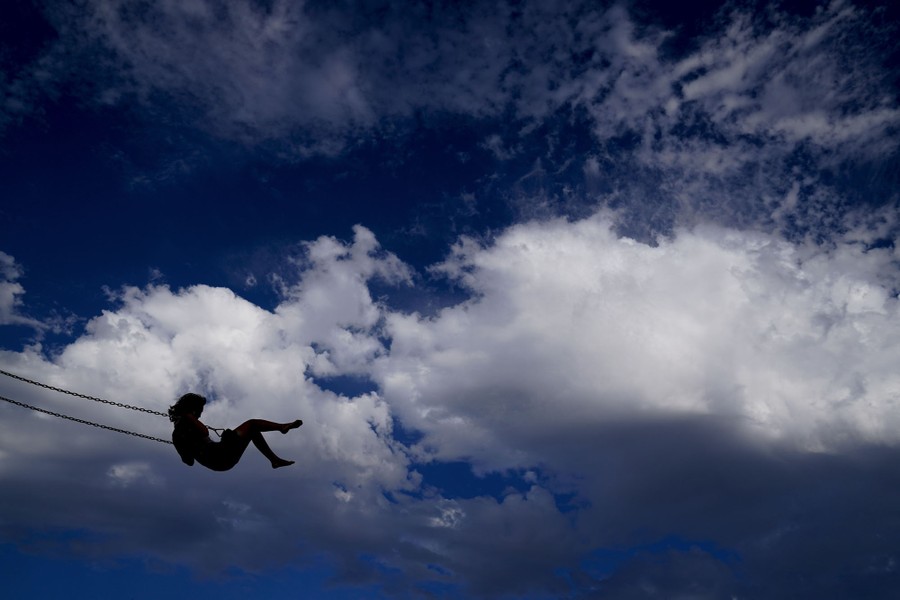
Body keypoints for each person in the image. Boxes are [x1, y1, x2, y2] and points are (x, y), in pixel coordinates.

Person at [169, 393, 302, 471]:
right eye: (199, 411)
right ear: (192, 410)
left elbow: (188, 461)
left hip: (220, 461)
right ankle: (281, 428)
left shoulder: (176, 436)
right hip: (219, 454)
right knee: (252, 424)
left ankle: (275, 460)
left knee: (253, 430)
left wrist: (187, 450)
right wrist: (190, 417)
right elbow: (204, 433)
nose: (200, 414)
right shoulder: (187, 425)